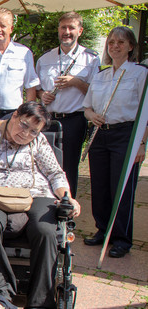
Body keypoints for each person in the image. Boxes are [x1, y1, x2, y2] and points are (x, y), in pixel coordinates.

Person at [0, 101, 81, 308]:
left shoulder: (38, 141)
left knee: (45, 228)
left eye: (33, 131)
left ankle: (41, 301)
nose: (26, 134)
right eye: (24, 125)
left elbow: (55, 174)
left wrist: (67, 196)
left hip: (36, 194)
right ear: (14, 115)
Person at [81, 26, 148, 258]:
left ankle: (120, 238)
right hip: (100, 134)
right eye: (111, 42)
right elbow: (87, 108)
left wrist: (142, 144)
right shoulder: (100, 75)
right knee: (99, 185)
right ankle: (103, 229)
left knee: (121, 187)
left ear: (130, 46)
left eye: (121, 42)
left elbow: (145, 111)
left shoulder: (140, 74)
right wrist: (91, 116)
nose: (115, 46)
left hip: (126, 134)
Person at [36, 12, 100, 197]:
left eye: (71, 28)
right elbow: (37, 89)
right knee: (45, 164)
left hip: (74, 120)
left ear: (79, 31)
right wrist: (43, 95)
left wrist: (75, 82)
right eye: (63, 27)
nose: (67, 32)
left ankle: (67, 207)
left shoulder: (91, 59)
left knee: (68, 167)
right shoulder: (45, 59)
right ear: (58, 30)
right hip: (48, 119)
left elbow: (97, 93)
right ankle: (47, 204)